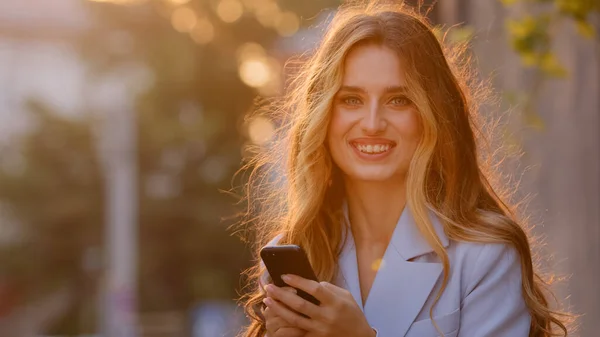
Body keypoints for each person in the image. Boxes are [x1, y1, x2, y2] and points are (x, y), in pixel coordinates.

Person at [238, 1, 572, 336]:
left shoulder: (486, 256)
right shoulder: (297, 255)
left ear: (433, 115)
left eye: (399, 100)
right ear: (322, 114)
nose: (371, 124)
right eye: (351, 99)